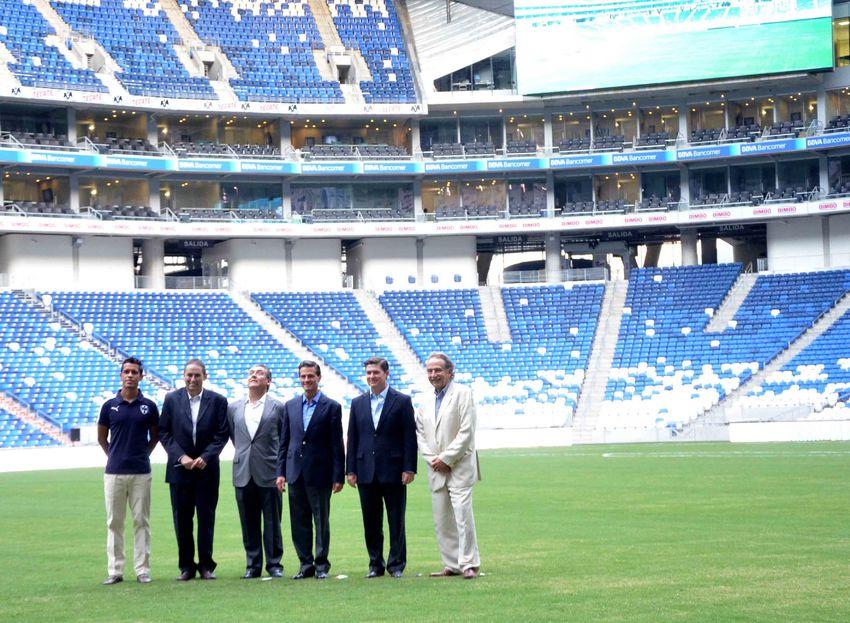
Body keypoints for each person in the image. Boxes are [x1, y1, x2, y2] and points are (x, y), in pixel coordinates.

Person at [158, 358, 229, 581]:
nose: (193, 379)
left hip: (207, 471)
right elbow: (164, 433)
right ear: (184, 376)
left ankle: (207, 565)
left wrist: (205, 457)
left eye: (197, 375)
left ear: (205, 376)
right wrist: (182, 457)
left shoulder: (218, 401)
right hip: (180, 470)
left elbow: (222, 434)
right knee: (182, 520)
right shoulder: (171, 399)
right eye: (189, 375)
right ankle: (186, 566)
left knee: (206, 519)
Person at [346, 357, 416, 578]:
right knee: (371, 522)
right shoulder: (357, 403)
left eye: (375, 372)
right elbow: (353, 437)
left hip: (394, 469)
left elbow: (409, 437)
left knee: (396, 520)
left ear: (386, 374)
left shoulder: (402, 401)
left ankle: (396, 564)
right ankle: (375, 564)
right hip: (366, 470)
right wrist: (350, 469)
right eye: (368, 373)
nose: (371, 377)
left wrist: (409, 467)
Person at [415, 352, 481, 579]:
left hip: (459, 466)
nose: (433, 374)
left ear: (449, 372)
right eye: (430, 371)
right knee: (442, 519)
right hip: (435, 468)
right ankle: (451, 564)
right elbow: (420, 434)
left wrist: (446, 458)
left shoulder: (463, 393)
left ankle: (468, 563)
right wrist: (433, 458)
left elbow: (466, 432)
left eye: (438, 370)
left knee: (462, 516)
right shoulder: (424, 400)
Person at [276, 360, 344, 580]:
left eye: (310, 376)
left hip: (320, 473)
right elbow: (284, 442)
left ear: (318, 378)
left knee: (321, 520)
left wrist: (338, 475)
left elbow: (336, 444)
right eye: (303, 376)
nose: (306, 380)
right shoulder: (291, 405)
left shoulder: (331, 406)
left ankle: (321, 565)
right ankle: (305, 564)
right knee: (299, 521)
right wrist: (281, 472)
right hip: (295, 471)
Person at [97, 357, 159, 585]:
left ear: (141, 376)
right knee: (114, 522)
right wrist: (114, 455)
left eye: (134, 372)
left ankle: (142, 570)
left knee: (141, 521)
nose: (130, 375)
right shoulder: (109, 406)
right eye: (127, 372)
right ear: (121, 375)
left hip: (141, 472)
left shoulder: (149, 406)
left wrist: (143, 454)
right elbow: (102, 438)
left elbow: (155, 436)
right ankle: (115, 571)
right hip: (114, 472)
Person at [228, 364, 285, 579]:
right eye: (251, 372)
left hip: (270, 472)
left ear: (268, 381)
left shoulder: (278, 407)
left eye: (259, 373)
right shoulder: (234, 407)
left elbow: (283, 439)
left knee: (272, 521)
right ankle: (252, 565)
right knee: (248, 521)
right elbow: (236, 438)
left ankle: (274, 564)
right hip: (243, 471)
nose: (253, 375)